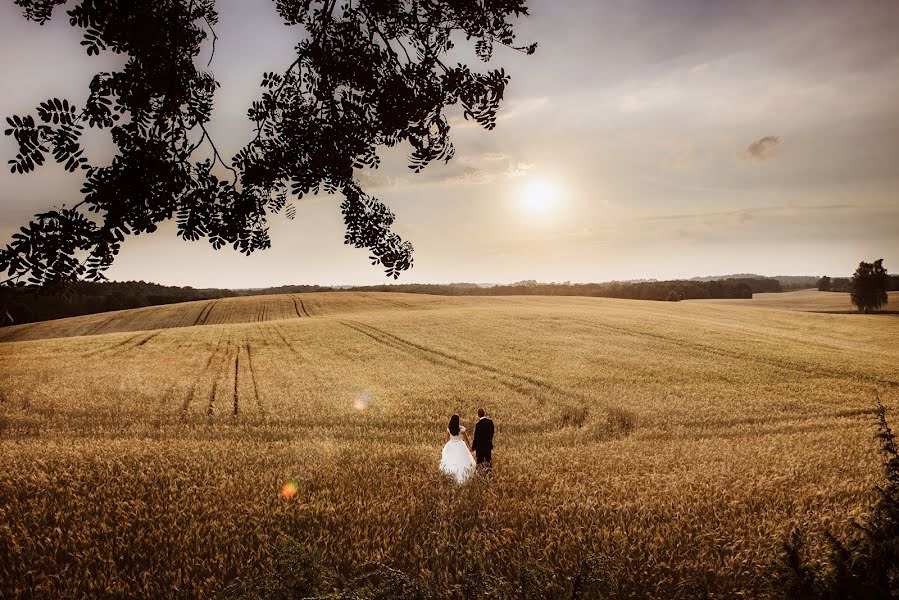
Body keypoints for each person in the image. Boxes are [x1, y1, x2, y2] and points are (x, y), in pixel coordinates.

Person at [439, 414, 476, 484]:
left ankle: (450, 474)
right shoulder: (461, 429)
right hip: (460, 445)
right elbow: (466, 438)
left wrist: (447, 446)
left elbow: (447, 439)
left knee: (451, 460)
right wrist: (469, 446)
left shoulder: (449, 428)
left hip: (451, 444)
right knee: (462, 460)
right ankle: (463, 476)